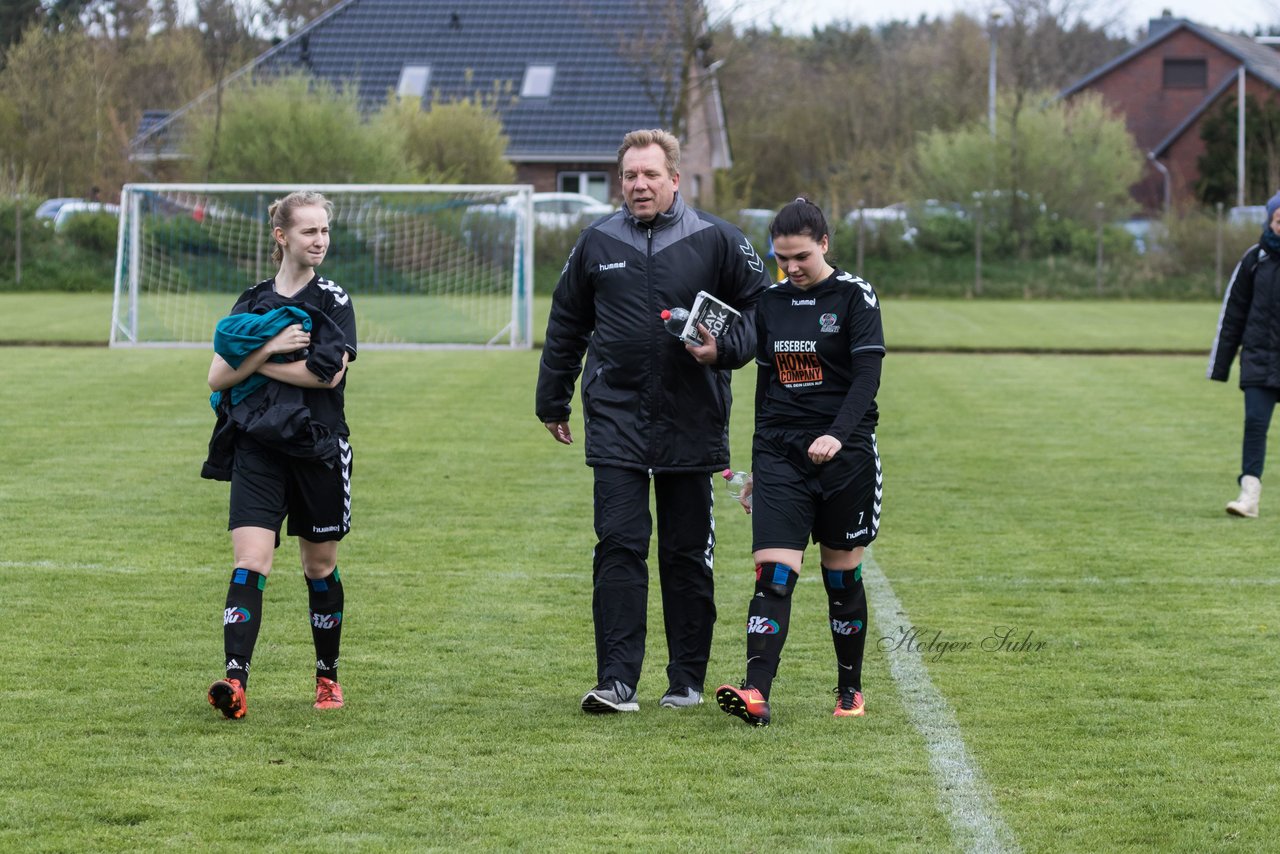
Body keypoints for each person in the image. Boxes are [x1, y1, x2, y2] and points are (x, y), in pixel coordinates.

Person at [536, 128, 770, 713]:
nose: (639, 185)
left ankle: (686, 681)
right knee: (619, 544)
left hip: (692, 419)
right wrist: (552, 399)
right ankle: (616, 682)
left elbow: (760, 312)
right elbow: (567, 322)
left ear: (674, 178)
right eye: (629, 176)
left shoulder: (718, 239)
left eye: (649, 175)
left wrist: (724, 350)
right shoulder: (595, 242)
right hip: (615, 416)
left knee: (686, 553)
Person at [715, 198, 885, 727]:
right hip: (781, 454)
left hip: (846, 456)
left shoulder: (856, 295)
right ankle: (756, 693)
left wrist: (837, 434)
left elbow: (867, 377)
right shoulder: (770, 302)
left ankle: (850, 690)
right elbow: (766, 387)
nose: (790, 268)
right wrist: (758, 467)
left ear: (825, 245)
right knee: (773, 576)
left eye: (801, 257)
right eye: (782, 258)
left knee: (841, 580)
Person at [202, 191, 357, 719]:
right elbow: (217, 376)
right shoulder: (251, 302)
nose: (320, 240)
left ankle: (327, 679)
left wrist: (254, 362)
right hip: (258, 446)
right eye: (309, 231)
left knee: (320, 567)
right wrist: (268, 348)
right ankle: (234, 680)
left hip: (317, 446)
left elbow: (327, 373)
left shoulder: (333, 300)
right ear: (281, 236)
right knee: (250, 560)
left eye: (325, 231)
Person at [1209, 191, 1280, 518]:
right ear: (1270, 220)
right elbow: (1233, 314)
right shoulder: (1254, 260)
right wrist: (1219, 366)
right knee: (1254, 423)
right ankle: (1249, 496)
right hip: (1258, 360)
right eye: (1279, 218)